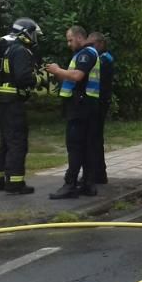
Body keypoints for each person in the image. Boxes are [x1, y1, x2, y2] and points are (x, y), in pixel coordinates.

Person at [45, 26, 99, 199]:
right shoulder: (86, 53)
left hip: (81, 105)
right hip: (86, 104)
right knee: (86, 146)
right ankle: (88, 184)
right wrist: (59, 73)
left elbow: (77, 76)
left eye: (70, 40)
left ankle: (70, 185)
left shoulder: (86, 54)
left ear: (79, 37)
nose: (69, 44)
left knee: (75, 146)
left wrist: (57, 70)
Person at [0, 18, 42, 195]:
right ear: (26, 32)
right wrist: (38, 79)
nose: (35, 37)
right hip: (12, 102)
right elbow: (23, 78)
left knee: (5, 140)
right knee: (17, 142)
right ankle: (15, 183)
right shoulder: (20, 50)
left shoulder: (4, 46)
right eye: (34, 33)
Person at [88, 32, 114, 184]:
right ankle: (97, 173)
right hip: (98, 101)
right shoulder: (101, 58)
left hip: (100, 102)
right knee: (94, 138)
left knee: (95, 138)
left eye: (92, 44)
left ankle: (98, 174)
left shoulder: (105, 59)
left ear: (101, 44)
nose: (90, 48)